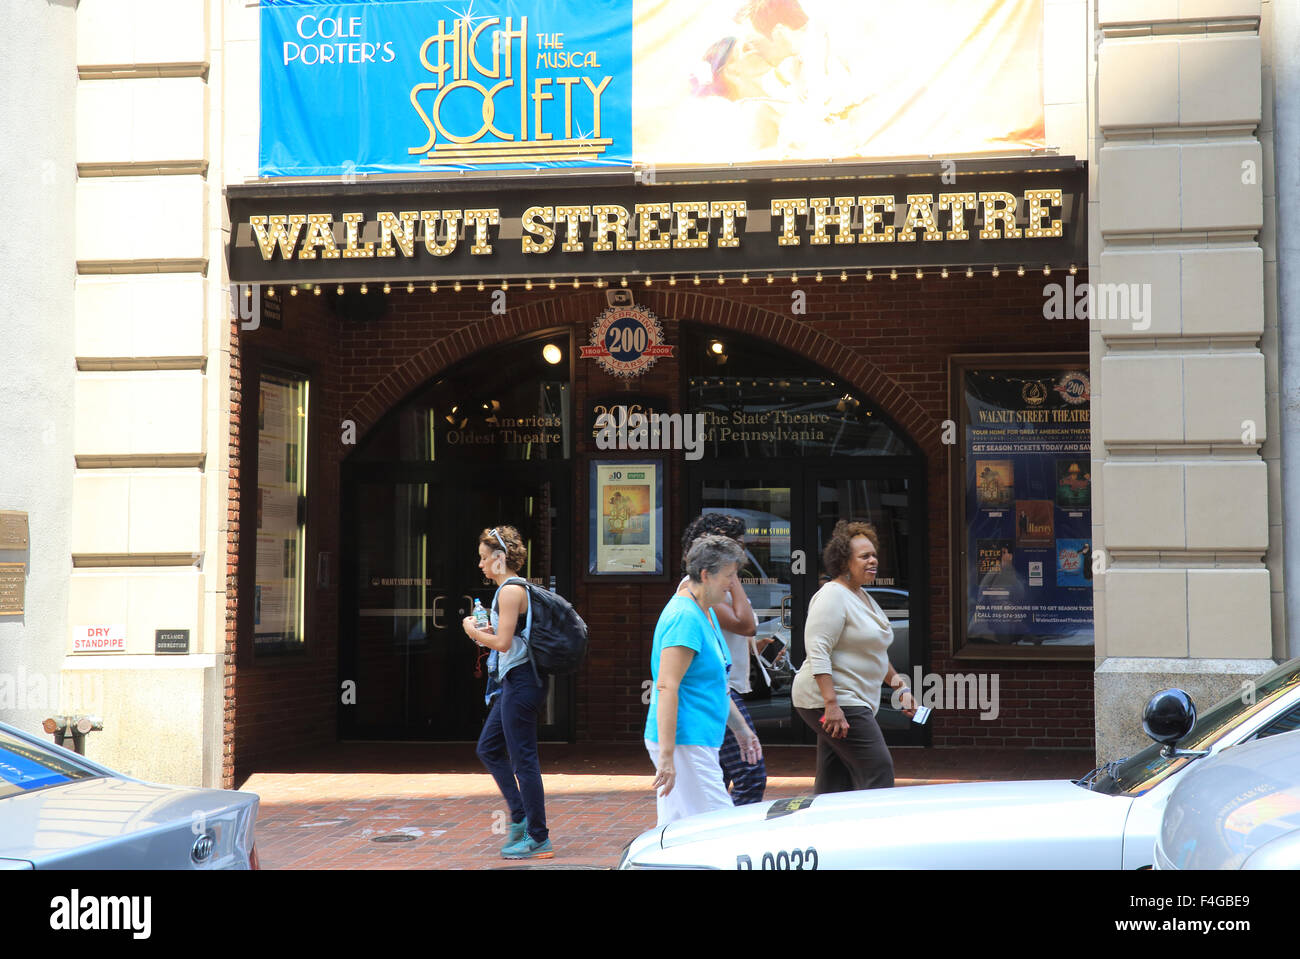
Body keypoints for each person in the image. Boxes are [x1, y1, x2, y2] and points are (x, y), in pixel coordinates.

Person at [646, 534, 763, 826]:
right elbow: (666, 686)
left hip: (695, 738)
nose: (733, 583)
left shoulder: (705, 610)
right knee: (719, 827)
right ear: (705, 575)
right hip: (686, 740)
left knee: (677, 829)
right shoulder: (684, 617)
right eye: (729, 575)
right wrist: (667, 756)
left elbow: (716, 686)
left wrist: (741, 731)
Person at [792, 520, 916, 794]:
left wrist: (901, 687)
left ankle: (822, 831)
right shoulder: (832, 596)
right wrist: (831, 705)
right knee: (878, 769)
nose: (873, 561)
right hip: (836, 699)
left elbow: (875, 654)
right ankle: (872, 831)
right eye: (864, 556)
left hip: (849, 698)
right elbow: (818, 650)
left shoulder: (861, 596)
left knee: (834, 782)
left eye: (874, 555)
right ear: (844, 561)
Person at [462, 525, 552, 859]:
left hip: (523, 681)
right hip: (513, 681)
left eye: (485, 558)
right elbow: (508, 639)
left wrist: (472, 630)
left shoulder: (511, 591)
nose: (481, 565)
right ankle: (520, 816)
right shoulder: (510, 591)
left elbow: (500, 643)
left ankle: (538, 836)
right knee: (488, 747)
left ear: (500, 558)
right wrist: (488, 631)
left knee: (524, 759)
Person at [677, 514, 767, 805]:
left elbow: (741, 629)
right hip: (717, 690)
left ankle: (705, 833)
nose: (742, 553)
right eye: (736, 545)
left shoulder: (719, 583)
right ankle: (732, 837)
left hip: (728, 687)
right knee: (750, 773)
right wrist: (734, 577)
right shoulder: (699, 587)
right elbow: (745, 624)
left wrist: (757, 646)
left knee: (717, 778)